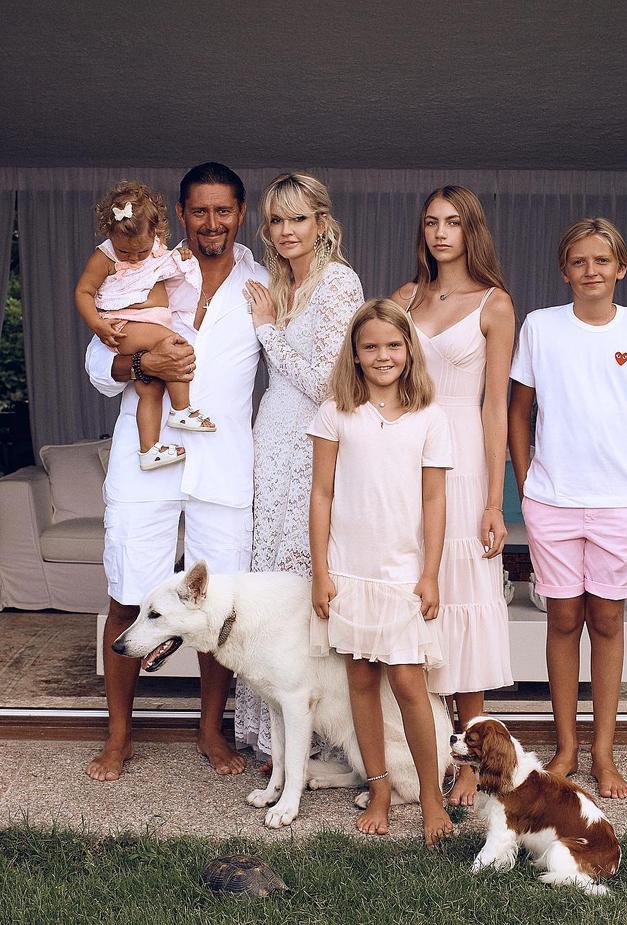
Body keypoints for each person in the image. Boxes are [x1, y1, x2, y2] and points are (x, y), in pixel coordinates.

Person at [83, 163, 269, 781]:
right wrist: (142, 367)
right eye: (199, 211)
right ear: (181, 213)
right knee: (127, 595)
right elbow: (99, 364)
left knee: (218, 607)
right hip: (146, 461)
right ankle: (119, 738)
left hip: (224, 464)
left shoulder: (263, 284)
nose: (211, 223)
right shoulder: (146, 267)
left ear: (241, 213)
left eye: (223, 211)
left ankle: (210, 730)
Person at [508, 217, 627, 799]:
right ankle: (567, 747)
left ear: (620, 268)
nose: (590, 271)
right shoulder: (540, 326)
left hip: (620, 503)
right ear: (565, 270)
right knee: (561, 620)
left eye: (601, 260)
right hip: (552, 501)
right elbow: (518, 411)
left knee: (607, 621)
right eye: (579, 261)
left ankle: (604, 751)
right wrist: (528, 484)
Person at [309, 298, 453, 847]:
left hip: (402, 575)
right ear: (355, 353)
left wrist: (431, 573)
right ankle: (380, 789)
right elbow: (321, 494)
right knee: (361, 682)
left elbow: (434, 500)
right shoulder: (336, 413)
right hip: (349, 571)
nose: (382, 355)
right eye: (370, 346)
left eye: (393, 345)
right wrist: (321, 571)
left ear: (409, 351)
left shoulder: (429, 417)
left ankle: (432, 797)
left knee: (410, 683)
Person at [390, 186, 515, 806]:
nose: (441, 232)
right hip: (406, 457)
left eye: (454, 222)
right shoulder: (403, 299)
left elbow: (496, 408)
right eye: (431, 222)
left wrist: (495, 501)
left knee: (462, 596)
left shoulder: (494, 304)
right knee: (415, 597)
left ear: (472, 231)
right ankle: (419, 748)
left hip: (463, 456)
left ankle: (469, 761)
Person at [233, 173, 363, 761]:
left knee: (305, 578)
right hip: (269, 442)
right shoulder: (275, 282)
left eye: (299, 218)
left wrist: (267, 332)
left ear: (321, 222)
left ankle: (320, 738)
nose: (287, 231)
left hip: (313, 443)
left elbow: (329, 383)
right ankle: (272, 735)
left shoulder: (339, 282)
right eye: (277, 220)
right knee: (267, 582)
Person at [76, 181, 216, 471]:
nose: (134, 258)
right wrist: (98, 325)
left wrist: (181, 257)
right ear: (109, 233)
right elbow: (83, 292)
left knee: (150, 389)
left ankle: (149, 449)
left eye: (140, 251)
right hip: (126, 324)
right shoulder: (105, 256)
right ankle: (181, 409)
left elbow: (163, 265)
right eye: (125, 252)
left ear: (156, 232)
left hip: (145, 323)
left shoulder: (156, 249)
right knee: (176, 345)